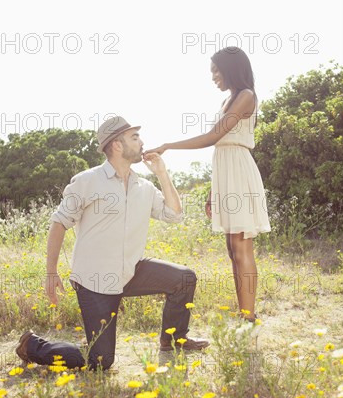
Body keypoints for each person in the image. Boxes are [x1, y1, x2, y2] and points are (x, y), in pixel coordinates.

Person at [16, 116, 209, 371]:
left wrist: (162, 173)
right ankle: (32, 346)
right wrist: (51, 272)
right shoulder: (87, 181)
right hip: (95, 280)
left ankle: (174, 341)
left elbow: (174, 215)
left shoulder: (144, 186)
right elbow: (59, 223)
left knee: (184, 279)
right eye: (135, 137)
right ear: (116, 145)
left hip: (130, 271)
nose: (142, 142)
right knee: (100, 361)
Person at [145, 47, 271, 322]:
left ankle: (248, 318)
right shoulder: (228, 100)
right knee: (231, 248)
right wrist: (214, 192)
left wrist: (168, 145)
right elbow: (220, 146)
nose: (213, 76)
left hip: (239, 170)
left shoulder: (246, 96)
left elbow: (214, 136)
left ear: (231, 69)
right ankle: (244, 313)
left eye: (216, 70)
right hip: (227, 172)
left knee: (241, 245)